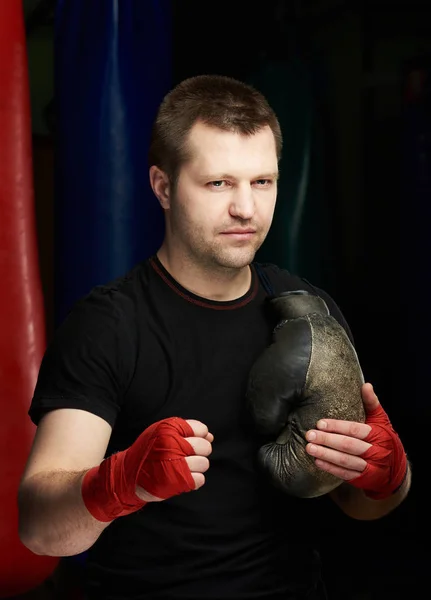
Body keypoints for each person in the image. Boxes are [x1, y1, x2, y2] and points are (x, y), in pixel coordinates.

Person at [18, 74, 411, 600]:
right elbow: (40, 529)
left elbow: (363, 504)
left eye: (262, 182)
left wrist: (389, 476)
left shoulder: (305, 310)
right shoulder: (108, 325)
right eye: (219, 183)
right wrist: (122, 482)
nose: (246, 209)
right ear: (162, 186)